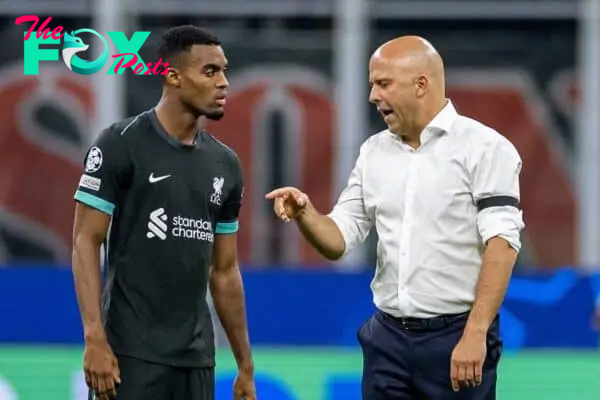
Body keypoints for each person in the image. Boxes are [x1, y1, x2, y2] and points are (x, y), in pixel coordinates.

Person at [266, 36, 524, 399]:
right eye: (372, 84)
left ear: (421, 84)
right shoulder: (374, 152)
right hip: (387, 340)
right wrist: (307, 214)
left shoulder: (485, 148)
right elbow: (339, 238)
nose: (373, 95)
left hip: (455, 337)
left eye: (383, 83)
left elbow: (503, 243)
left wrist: (476, 333)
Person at [71, 25, 256, 400]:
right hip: (129, 355)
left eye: (224, 71)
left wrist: (245, 365)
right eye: (210, 72)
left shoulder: (226, 165)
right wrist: (94, 338)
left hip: (196, 361)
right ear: (172, 77)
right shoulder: (120, 144)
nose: (223, 83)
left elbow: (224, 272)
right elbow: (85, 242)